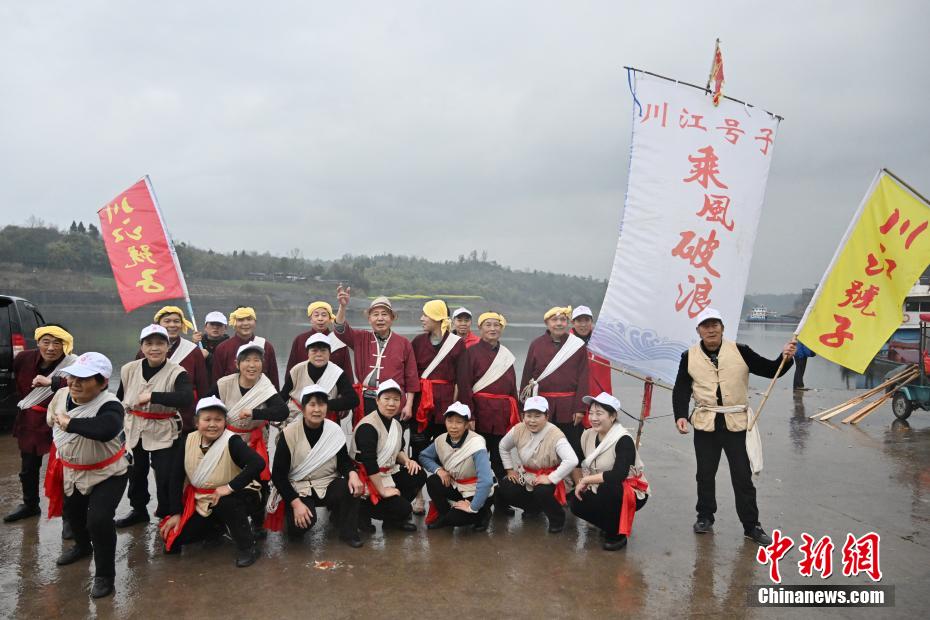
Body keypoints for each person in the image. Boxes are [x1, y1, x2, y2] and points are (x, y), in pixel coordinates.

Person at [672, 308, 795, 545]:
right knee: (705, 474)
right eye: (705, 325)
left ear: (722, 327)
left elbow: (771, 370)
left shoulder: (741, 351)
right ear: (698, 330)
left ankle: (752, 526)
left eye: (715, 324)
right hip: (706, 423)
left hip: (736, 423)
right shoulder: (688, 356)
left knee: (742, 476)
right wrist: (680, 415)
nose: (711, 329)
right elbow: (682, 388)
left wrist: (785, 358)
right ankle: (705, 517)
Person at [44, 353, 128, 598]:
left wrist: (70, 424)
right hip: (72, 470)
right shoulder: (61, 396)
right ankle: (82, 547)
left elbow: (107, 429)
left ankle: (105, 575)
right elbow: (51, 420)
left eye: (84, 379)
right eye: (72, 376)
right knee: (73, 515)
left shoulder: (110, 404)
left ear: (102, 382)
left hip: (108, 472)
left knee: (99, 520)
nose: (74, 383)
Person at [159, 396, 265, 567]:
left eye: (218, 419)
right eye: (207, 419)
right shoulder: (187, 440)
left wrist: (229, 487)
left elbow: (258, 463)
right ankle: (216, 528)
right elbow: (176, 478)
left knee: (225, 503)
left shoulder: (232, 441)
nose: (213, 424)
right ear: (196, 422)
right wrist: (176, 513)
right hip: (202, 500)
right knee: (176, 539)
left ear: (225, 422)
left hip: (236, 496)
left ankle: (248, 546)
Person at [267, 385, 365, 547]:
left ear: (327, 408)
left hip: (326, 483)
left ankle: (349, 533)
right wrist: (296, 503)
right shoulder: (289, 434)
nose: (317, 409)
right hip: (299, 486)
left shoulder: (334, 431)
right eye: (312, 404)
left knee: (351, 488)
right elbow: (278, 475)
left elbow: (343, 462)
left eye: (321, 404)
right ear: (303, 409)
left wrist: (353, 474)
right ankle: (290, 518)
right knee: (302, 525)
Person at [116, 325, 193, 528]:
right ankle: (139, 510)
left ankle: (167, 512)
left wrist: (153, 396)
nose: (154, 348)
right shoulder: (128, 369)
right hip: (134, 427)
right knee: (135, 471)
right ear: (141, 346)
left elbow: (186, 398)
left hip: (163, 428)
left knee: (166, 473)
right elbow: (119, 399)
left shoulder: (178, 372)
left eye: (160, 343)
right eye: (148, 343)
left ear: (169, 346)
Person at [212, 342, 289, 535]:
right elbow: (206, 405)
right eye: (247, 360)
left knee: (259, 481)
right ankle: (222, 520)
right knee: (225, 478)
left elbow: (282, 412)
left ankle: (257, 522)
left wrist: (255, 413)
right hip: (227, 439)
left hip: (255, 440)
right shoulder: (224, 383)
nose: (252, 365)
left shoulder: (265, 386)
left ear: (263, 364)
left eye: (257, 360)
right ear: (237, 364)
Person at [5, 325, 77, 523]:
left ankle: (69, 518)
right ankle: (30, 504)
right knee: (28, 467)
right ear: (38, 342)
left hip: (61, 420)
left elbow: (88, 384)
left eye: (57, 343)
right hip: (31, 418)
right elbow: (15, 385)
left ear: (66, 345)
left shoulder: (75, 364)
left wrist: (52, 382)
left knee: (65, 469)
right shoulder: (23, 359)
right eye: (46, 342)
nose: (51, 348)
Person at [456, 312, 519, 513]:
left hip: (502, 414)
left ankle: (501, 501)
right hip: (480, 414)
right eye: (488, 325)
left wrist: (515, 413)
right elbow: (464, 386)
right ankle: (478, 502)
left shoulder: (506, 355)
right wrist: (470, 416)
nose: (493, 329)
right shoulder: (470, 352)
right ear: (480, 328)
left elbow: (513, 388)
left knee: (501, 458)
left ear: (501, 329)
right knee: (477, 460)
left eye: (496, 325)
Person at [571, 392, 650, 551]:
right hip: (599, 487)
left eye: (599, 413)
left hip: (627, 491)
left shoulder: (623, 439)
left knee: (609, 488)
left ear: (613, 416)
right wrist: (579, 482)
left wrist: (586, 481)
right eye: (591, 413)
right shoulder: (587, 434)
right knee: (575, 503)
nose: (593, 418)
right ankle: (609, 523)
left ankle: (617, 535)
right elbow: (576, 463)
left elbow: (617, 475)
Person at [332, 286, 418, 424]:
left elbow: (411, 378)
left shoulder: (404, 343)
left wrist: (408, 405)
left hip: (393, 402)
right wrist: (342, 307)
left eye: (384, 314)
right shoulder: (360, 337)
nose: (380, 318)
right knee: (366, 439)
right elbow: (340, 331)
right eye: (375, 314)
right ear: (369, 319)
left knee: (392, 441)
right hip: (366, 401)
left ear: (392, 318)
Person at [349, 380, 426, 532]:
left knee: (418, 474)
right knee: (404, 508)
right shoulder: (368, 426)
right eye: (387, 399)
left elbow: (398, 450)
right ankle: (361, 512)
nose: (392, 404)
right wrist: (383, 491)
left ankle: (392, 521)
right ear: (377, 400)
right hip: (367, 477)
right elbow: (369, 463)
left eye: (396, 400)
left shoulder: (396, 424)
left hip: (387, 472)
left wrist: (407, 461)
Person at [410, 299, 464, 513]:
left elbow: (462, 379)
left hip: (446, 408)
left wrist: (459, 411)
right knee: (417, 452)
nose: (422, 319)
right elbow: (411, 376)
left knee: (448, 452)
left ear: (437, 318)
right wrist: (409, 405)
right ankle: (418, 497)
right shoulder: (417, 342)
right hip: (422, 408)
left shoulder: (456, 343)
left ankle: (442, 495)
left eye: (426, 315)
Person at [497, 396, 578, 533]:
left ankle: (557, 518)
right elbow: (503, 446)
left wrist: (551, 478)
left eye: (537, 416)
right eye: (528, 415)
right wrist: (510, 470)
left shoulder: (555, 434)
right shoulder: (518, 429)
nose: (532, 420)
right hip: (527, 475)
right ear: (523, 416)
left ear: (546, 416)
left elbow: (572, 460)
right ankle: (532, 509)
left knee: (543, 490)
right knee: (506, 486)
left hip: (549, 476)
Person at [521, 306, 589, 451]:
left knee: (570, 448)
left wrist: (580, 408)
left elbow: (583, 378)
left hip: (569, 406)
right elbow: (527, 376)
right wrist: (524, 407)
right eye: (555, 320)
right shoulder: (536, 344)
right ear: (547, 323)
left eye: (563, 320)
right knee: (542, 447)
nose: (559, 323)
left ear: (568, 323)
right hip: (542, 404)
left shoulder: (577, 345)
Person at [418, 402, 494, 531]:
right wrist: (439, 470)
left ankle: (482, 513)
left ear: (466, 424)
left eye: (459, 422)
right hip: (456, 484)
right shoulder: (441, 440)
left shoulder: (476, 443)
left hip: (475, 489)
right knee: (433, 481)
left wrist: (472, 507)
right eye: (450, 421)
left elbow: (486, 481)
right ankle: (444, 514)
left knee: (455, 519)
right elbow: (424, 456)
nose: (453, 426)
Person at [139, 306, 210, 433]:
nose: (172, 325)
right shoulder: (145, 351)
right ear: (158, 324)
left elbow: (202, 385)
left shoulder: (192, 351)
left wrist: (202, 414)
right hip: (151, 413)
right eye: (167, 321)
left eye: (176, 321)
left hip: (185, 415)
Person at [279, 333, 359, 425]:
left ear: (329, 353)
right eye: (314, 351)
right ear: (307, 353)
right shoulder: (297, 370)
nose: (319, 354)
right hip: (296, 419)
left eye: (323, 350)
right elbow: (284, 396)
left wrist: (323, 405)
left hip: (327, 421)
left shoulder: (337, 373)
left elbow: (353, 400)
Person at [210, 307, 280, 388]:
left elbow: (273, 380)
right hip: (231, 398)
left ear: (255, 322)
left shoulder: (266, 346)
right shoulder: (222, 348)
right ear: (234, 323)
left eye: (249, 319)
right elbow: (217, 381)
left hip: (261, 397)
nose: (245, 323)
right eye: (240, 320)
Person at [285, 301, 354, 382]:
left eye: (324, 315)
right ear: (310, 319)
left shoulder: (339, 341)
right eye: (316, 315)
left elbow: (347, 373)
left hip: (333, 391)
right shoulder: (300, 340)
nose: (320, 319)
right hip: (303, 390)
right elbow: (291, 369)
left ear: (329, 319)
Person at [570, 306, 612, 402]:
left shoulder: (603, 341)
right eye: (579, 321)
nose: (583, 324)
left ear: (592, 321)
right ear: (573, 322)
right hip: (575, 397)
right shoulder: (566, 343)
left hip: (601, 396)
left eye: (587, 320)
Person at [193, 311, 229, 379]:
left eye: (219, 324)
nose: (215, 327)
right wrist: (193, 345)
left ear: (225, 328)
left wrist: (208, 356)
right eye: (212, 324)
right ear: (205, 327)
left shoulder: (229, 345)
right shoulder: (199, 342)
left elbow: (224, 367)